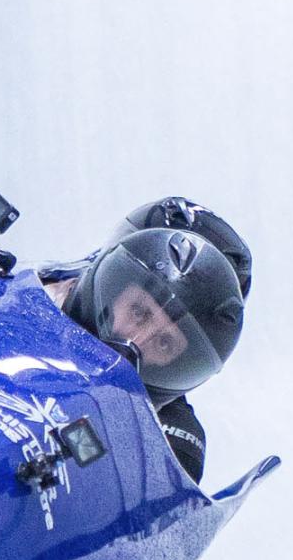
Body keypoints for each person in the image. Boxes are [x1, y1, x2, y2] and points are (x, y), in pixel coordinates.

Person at [41, 199, 251, 485]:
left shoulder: (172, 437)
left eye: (165, 343)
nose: (136, 341)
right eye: (138, 312)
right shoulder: (35, 297)